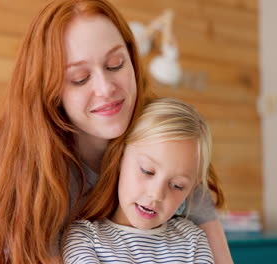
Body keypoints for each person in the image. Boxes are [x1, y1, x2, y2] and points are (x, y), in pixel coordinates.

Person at [0, 0, 232, 263]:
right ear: (49, 91)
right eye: (79, 78)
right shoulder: (35, 181)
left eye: (116, 64)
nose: (106, 88)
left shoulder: (168, 146)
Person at [63, 98, 214, 263]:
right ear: (119, 158)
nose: (156, 194)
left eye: (177, 186)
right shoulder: (84, 238)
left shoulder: (193, 240)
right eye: (147, 171)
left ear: (192, 188)